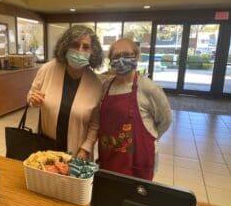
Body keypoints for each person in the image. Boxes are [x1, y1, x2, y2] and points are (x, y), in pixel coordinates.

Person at [98, 38, 172, 180]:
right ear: (110, 60)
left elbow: (166, 120)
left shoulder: (149, 88)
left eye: (127, 55)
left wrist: (150, 136)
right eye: (116, 56)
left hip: (137, 160)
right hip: (109, 157)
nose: (121, 60)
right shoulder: (106, 86)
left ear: (137, 56)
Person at [27, 25, 103, 160]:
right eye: (75, 45)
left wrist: (86, 149)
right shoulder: (47, 69)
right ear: (65, 46)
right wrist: (32, 99)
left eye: (85, 47)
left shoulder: (96, 84)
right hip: (47, 145)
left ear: (92, 52)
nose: (80, 50)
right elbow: (31, 95)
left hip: (78, 152)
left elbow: (95, 124)